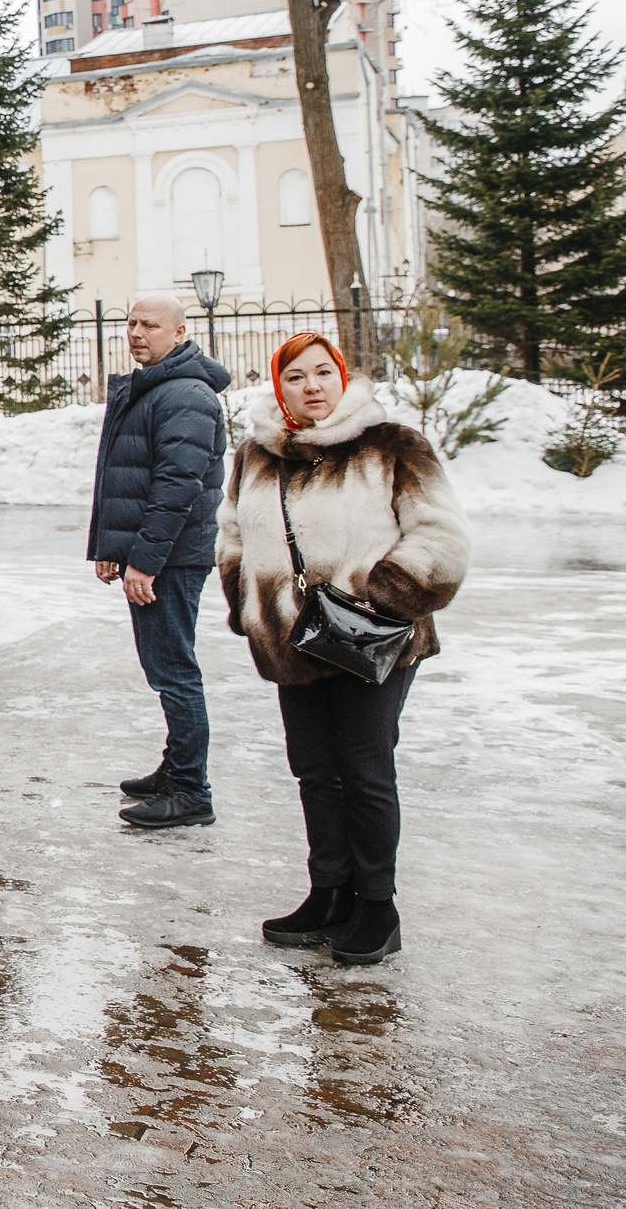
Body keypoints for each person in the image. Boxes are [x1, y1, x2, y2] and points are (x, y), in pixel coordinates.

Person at [220, 331, 469, 966]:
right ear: (281, 387)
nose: (312, 386)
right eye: (296, 376)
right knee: (314, 770)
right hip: (292, 642)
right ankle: (329, 892)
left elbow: (440, 536)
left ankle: (377, 908)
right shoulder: (257, 454)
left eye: (323, 373)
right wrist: (247, 602)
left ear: (343, 376)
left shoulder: (392, 445)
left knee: (364, 769)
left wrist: (381, 599)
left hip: (371, 639)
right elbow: (230, 535)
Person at [88, 294, 233, 829]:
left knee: (174, 670)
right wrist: (111, 548)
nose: (136, 332)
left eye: (150, 324)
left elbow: (178, 486)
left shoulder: (186, 395)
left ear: (180, 333)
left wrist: (143, 562)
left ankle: (191, 789)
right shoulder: (153, 387)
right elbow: (124, 475)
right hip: (154, 554)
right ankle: (177, 770)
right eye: (131, 323)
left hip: (172, 559)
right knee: (163, 665)